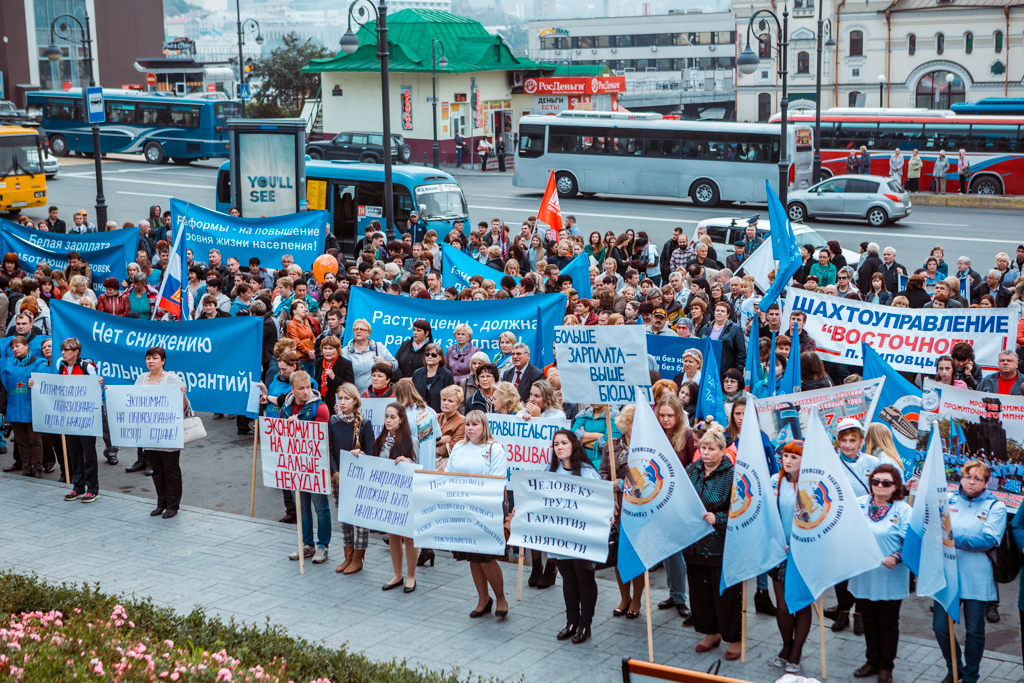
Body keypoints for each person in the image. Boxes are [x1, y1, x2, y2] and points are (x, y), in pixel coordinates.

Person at [932, 460, 1006, 683]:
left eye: (978, 478)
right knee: (940, 627)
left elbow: (987, 540)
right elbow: (933, 529)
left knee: (974, 630)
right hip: (946, 576)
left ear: (986, 483)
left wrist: (951, 538)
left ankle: (971, 675)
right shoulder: (948, 501)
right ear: (961, 478)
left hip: (976, 577)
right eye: (968, 476)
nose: (971, 481)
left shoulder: (996, 506)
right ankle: (954, 668)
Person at [849, 464, 911, 683]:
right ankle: (872, 661)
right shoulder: (859, 504)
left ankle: (886, 666)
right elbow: (846, 530)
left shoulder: (903, 510)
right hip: (864, 574)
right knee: (869, 619)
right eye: (876, 481)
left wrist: (895, 556)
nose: (880, 486)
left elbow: (910, 542)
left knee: (887, 622)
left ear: (896, 486)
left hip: (890, 576)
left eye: (886, 482)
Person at [685, 424, 741, 660]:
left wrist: (719, 518)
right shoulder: (692, 470)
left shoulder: (733, 475)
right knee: (700, 592)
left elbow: (741, 510)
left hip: (721, 543)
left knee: (725, 594)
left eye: (712, 448)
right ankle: (710, 632)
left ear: (723, 450)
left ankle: (734, 638)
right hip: (694, 542)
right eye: (703, 447)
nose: (706, 453)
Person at [263, 370, 331, 563]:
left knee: (321, 508)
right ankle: (307, 544)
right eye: (301, 389)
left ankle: (323, 545)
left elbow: (321, 438)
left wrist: (300, 425)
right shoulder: (285, 409)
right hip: (295, 467)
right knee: (302, 508)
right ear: (292, 389)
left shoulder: (320, 408)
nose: (306, 392)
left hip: (315, 467)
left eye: (308, 387)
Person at [449, 410, 509, 617]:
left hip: (485, 510)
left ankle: (500, 598)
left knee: (486, 557)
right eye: (467, 424)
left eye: (475, 424)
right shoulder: (458, 446)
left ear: (484, 426)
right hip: (462, 508)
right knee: (472, 557)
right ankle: (483, 598)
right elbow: (449, 473)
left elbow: (498, 479)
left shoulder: (495, 449)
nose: (470, 428)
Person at [824, 417, 880, 633]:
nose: (848, 444)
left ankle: (860, 613)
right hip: (840, 524)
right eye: (844, 440)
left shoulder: (872, 463)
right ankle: (843, 612)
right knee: (842, 571)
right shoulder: (830, 462)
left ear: (861, 441)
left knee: (862, 570)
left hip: (866, 523)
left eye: (852, 440)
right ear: (838, 441)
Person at [544, 430, 601, 644]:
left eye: (564, 443)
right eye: (556, 444)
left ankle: (585, 624)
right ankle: (571, 621)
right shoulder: (550, 471)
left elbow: (598, 501)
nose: (559, 447)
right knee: (567, 578)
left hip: (582, 536)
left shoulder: (587, 472)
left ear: (573, 445)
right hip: (559, 536)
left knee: (583, 578)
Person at [771, 440, 813, 674]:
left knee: (801, 603)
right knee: (783, 606)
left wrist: (798, 543)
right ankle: (786, 646)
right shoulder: (775, 482)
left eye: (794, 457)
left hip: (803, 554)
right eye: (785, 456)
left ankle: (796, 652)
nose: (787, 460)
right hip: (779, 553)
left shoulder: (811, 486)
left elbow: (812, 521)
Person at [602, 405, 646, 619]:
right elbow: (603, 471)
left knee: (635, 554)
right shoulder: (612, 445)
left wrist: (620, 483)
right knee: (619, 554)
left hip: (639, 505)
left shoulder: (646, 447)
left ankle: (637, 599)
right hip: (616, 505)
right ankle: (624, 596)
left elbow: (646, 479)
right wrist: (609, 490)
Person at [328, 383, 376, 575]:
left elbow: (371, 453)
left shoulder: (364, 423)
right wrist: (335, 472)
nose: (342, 402)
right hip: (339, 476)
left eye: (347, 398)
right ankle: (347, 556)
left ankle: (358, 558)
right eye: (340, 398)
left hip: (358, 478)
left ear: (355, 401)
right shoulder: (332, 421)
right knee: (345, 517)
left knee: (360, 519)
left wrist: (361, 454)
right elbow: (329, 450)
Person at [1, 336, 45, 479]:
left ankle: (37, 468)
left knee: (35, 441)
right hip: (14, 408)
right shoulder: (6, 364)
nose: (15, 349)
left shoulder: (40, 363)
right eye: (13, 347)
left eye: (18, 346)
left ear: (27, 346)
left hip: (32, 409)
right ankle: (27, 468)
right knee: (21, 441)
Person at [342, 319, 397, 395]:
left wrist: (383, 362)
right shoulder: (345, 352)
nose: (358, 331)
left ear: (369, 333)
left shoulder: (379, 347)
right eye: (356, 329)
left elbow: (395, 365)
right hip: (354, 396)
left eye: (362, 329)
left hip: (377, 396)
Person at [314, 336, 355, 416]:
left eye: (331, 348)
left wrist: (334, 377)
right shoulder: (319, 362)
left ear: (337, 349)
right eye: (325, 348)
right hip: (320, 403)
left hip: (336, 404)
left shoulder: (345, 364)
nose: (327, 351)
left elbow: (350, 386)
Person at [412, 343, 455, 414]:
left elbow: (452, 398)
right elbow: (413, 395)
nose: (429, 357)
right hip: (419, 414)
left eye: (433, 355)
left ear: (440, 358)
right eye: (427, 354)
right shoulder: (417, 373)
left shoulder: (447, 375)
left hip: (439, 415)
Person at [436, 385, 466, 469]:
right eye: (444, 399)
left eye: (450, 401)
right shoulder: (435, 417)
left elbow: (453, 448)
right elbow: (422, 439)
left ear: (458, 405)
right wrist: (440, 440)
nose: (446, 403)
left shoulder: (462, 421)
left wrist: (430, 447)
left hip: (450, 464)